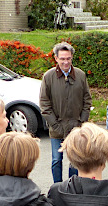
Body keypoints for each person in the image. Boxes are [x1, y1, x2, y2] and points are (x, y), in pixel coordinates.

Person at [40, 42, 92, 183]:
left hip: (76, 128)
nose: (66, 62)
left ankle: (72, 186)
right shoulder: (48, 77)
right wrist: (55, 125)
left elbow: (87, 101)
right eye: (62, 59)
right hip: (56, 129)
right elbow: (44, 104)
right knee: (56, 160)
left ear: (72, 58)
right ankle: (57, 188)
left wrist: (81, 122)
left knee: (75, 161)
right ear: (56, 58)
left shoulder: (80, 75)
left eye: (68, 58)